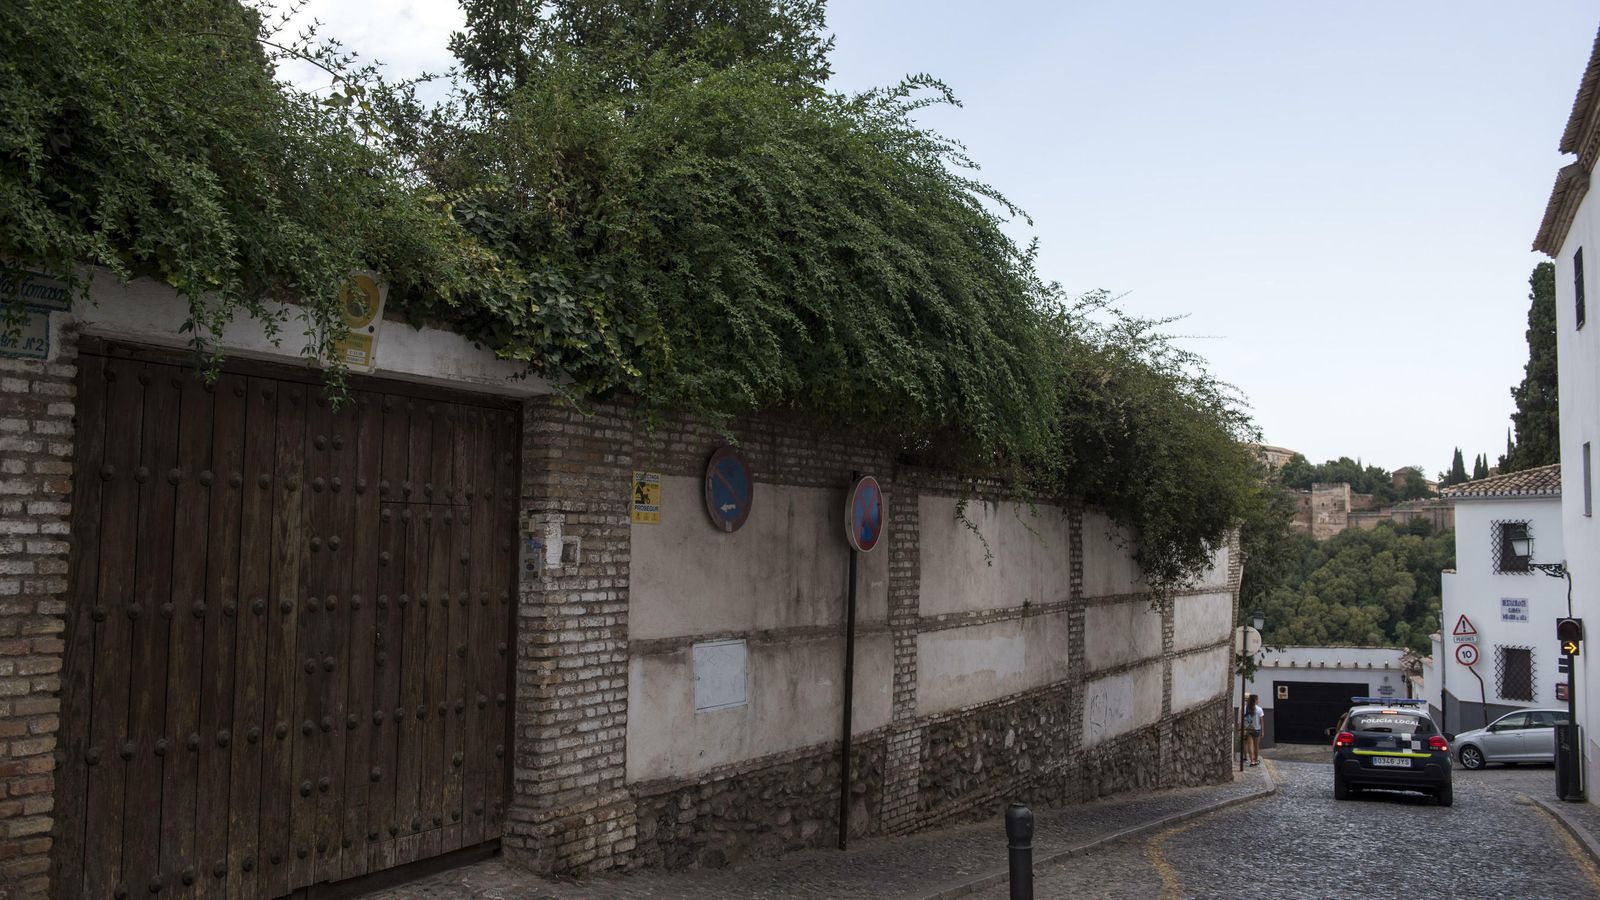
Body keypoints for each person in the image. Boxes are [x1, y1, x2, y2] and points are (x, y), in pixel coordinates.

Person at [1241, 693, 1264, 766]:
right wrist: (1262, 731)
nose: (1258, 700)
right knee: (1256, 745)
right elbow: (1262, 722)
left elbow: (1243, 719)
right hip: (1257, 729)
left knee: (1250, 745)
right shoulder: (1259, 709)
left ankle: (1252, 761)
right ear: (1255, 700)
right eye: (1258, 699)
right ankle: (1256, 760)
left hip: (1248, 729)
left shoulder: (1245, 708)